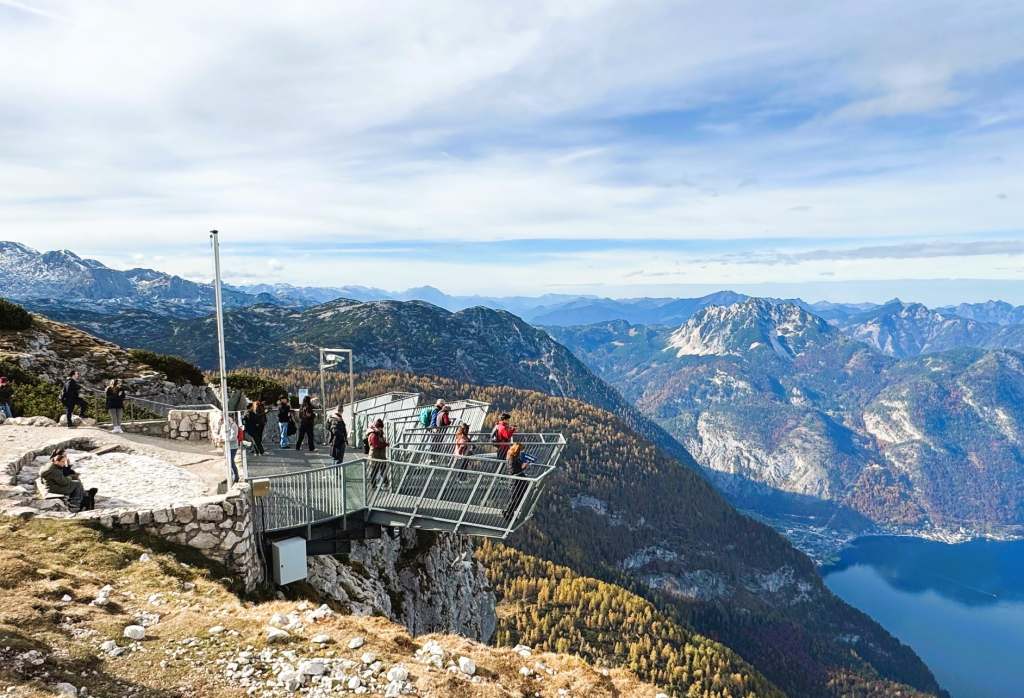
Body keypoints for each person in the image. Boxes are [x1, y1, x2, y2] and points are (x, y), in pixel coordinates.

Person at [40, 448, 97, 513]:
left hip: (54, 486)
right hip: (54, 488)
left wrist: (69, 471)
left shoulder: (53, 466)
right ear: (56, 461)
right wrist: (70, 477)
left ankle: (84, 497)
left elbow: (62, 477)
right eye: (63, 461)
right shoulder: (54, 470)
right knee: (76, 483)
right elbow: (64, 482)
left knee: (76, 482)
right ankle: (74, 505)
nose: (64, 463)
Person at [502, 442, 530, 522]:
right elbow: (512, 471)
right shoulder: (511, 457)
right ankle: (508, 513)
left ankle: (509, 513)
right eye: (520, 450)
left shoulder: (515, 457)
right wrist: (523, 467)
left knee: (518, 498)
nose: (521, 451)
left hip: (518, 480)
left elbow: (518, 467)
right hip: (515, 481)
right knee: (515, 498)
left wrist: (524, 465)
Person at [367, 418, 389, 488]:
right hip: (374, 456)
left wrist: (385, 443)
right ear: (377, 427)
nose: (381, 429)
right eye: (380, 427)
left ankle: (386, 483)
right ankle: (373, 485)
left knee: (383, 470)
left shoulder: (380, 433)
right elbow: (376, 445)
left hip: (381, 456)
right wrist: (385, 444)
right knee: (374, 471)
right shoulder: (373, 434)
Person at [222, 412, 241, 483]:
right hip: (228, 446)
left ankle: (236, 476)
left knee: (231, 461)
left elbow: (234, 437)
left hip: (233, 447)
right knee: (228, 462)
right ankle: (230, 476)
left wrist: (225, 440)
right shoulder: (228, 425)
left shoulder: (233, 426)